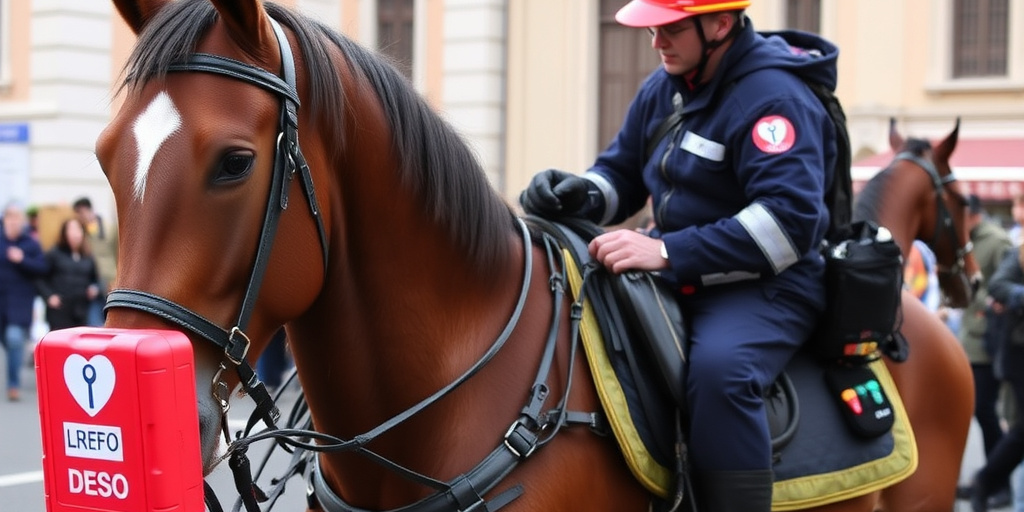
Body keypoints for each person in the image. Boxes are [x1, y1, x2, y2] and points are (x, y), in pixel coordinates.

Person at [519, 0, 838, 509]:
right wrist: (577, 192)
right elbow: (620, 173)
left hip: (768, 286)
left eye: (670, 28)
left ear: (720, 25)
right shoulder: (665, 87)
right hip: (674, 269)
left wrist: (667, 249)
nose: (656, 42)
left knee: (720, 373)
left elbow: (788, 225)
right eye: (653, 28)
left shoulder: (776, 99)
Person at [952, 195, 1014, 506]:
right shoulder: (971, 240)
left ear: (971, 214)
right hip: (970, 338)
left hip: (990, 340)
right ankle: (989, 480)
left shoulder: (997, 241)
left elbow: (1003, 286)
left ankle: (995, 481)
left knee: (987, 411)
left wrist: (982, 306)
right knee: (980, 410)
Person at [0, 200, 48, 401]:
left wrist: (22, 259)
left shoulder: (31, 244)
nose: (14, 222)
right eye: (10, 218)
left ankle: (13, 384)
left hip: (20, 304)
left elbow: (43, 268)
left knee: (14, 339)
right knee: (8, 342)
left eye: (18, 218)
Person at [35, 218, 100, 331]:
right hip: (60, 310)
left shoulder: (88, 257)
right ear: (64, 233)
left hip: (81, 310)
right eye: (72, 230)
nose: (76, 234)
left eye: (78, 230)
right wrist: (49, 296)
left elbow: (95, 279)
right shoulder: (54, 254)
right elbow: (40, 277)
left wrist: (94, 288)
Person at [72, 197, 117, 326]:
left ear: (86, 210)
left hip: (109, 280)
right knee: (94, 322)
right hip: (90, 282)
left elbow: (117, 252)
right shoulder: (81, 231)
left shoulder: (108, 229)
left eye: (80, 213)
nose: (80, 217)